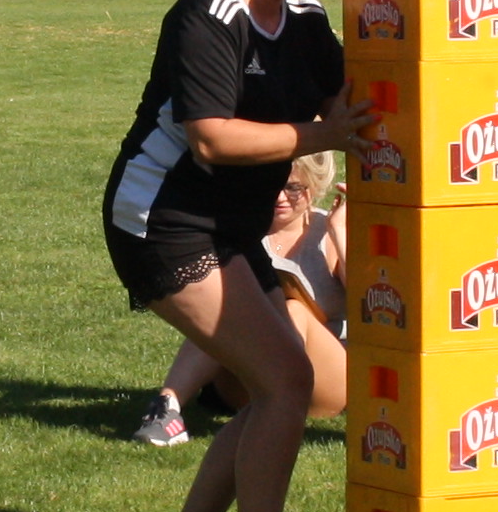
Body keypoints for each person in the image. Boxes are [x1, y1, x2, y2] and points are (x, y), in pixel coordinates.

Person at [104, 0, 361, 512]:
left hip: (227, 223)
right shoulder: (208, 14)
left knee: (276, 378)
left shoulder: (304, 16)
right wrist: (323, 138)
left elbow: (348, 96)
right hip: (163, 221)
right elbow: (212, 138)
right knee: (285, 381)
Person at [134, 154, 348, 444]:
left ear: (314, 184)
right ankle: (166, 407)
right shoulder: (240, 231)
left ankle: (282, 389)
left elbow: (371, 309)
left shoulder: (329, 232)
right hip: (248, 378)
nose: (280, 197)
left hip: (325, 378)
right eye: (272, 185)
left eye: (293, 188)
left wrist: (340, 232)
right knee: (221, 309)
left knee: (293, 309)